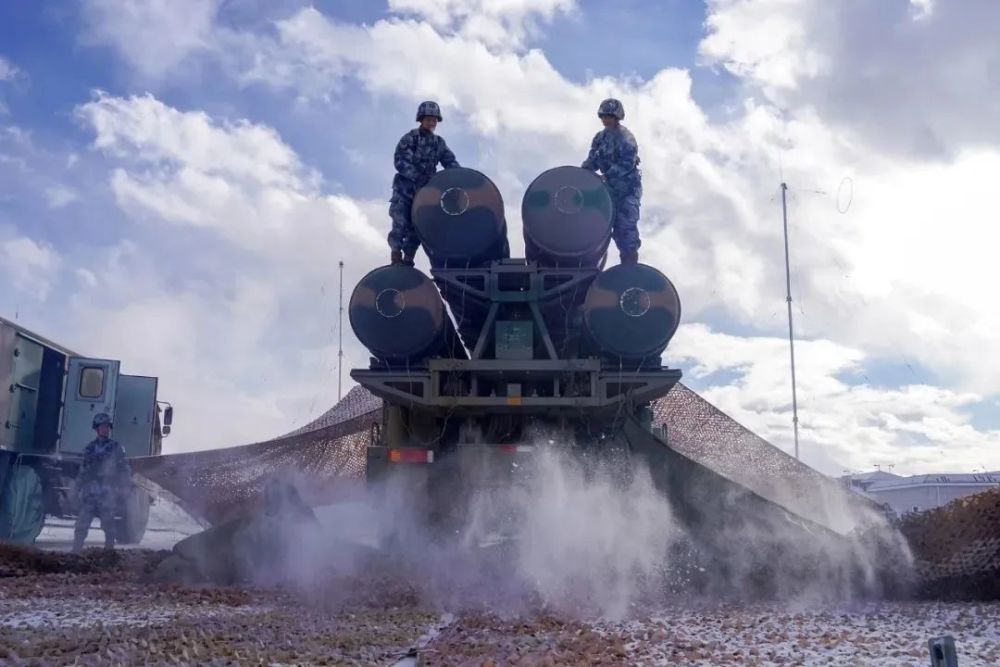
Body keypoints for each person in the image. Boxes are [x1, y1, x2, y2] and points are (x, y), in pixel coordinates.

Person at [388, 100, 461, 266]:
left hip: (425, 193)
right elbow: (400, 161)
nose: (432, 122)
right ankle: (395, 255)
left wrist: (461, 178)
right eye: (428, 119)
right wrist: (416, 177)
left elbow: (450, 162)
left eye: (434, 119)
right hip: (405, 190)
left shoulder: (438, 143)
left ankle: (408, 259)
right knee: (400, 222)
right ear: (421, 119)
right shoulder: (410, 138)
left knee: (418, 225)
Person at [581, 98, 643, 264]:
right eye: (603, 116)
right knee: (594, 225)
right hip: (606, 191)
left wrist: (607, 176)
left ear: (617, 117)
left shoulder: (626, 138)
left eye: (609, 116)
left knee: (625, 230)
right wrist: (582, 174)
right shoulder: (600, 138)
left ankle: (630, 267)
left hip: (626, 191)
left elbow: (627, 163)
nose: (605, 119)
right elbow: (593, 159)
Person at [72, 413, 132, 552]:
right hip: (91, 493)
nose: (105, 429)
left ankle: (109, 554)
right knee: (81, 526)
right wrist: (76, 488)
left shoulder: (116, 448)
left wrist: (124, 487)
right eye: (102, 426)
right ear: (97, 428)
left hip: (107, 493)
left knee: (109, 527)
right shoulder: (89, 448)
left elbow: (124, 469)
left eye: (107, 426)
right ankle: (75, 553)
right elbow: (83, 471)